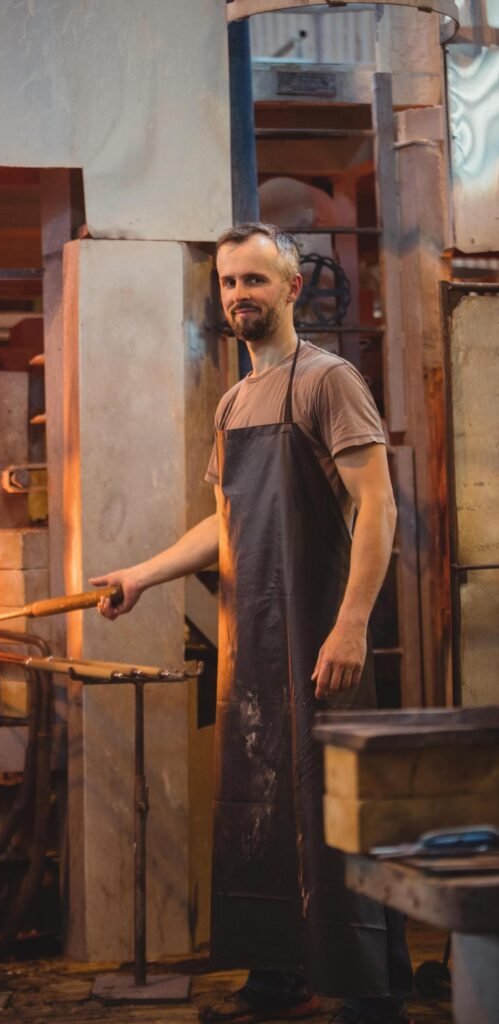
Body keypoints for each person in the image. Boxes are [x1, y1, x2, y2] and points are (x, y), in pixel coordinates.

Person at [90, 223, 413, 1024]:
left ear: (291, 288)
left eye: (255, 281)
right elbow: (224, 526)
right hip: (255, 644)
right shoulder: (234, 399)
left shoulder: (328, 381)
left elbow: (378, 505)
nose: (240, 294)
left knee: (339, 810)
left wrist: (350, 626)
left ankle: (372, 994)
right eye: (230, 283)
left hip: (319, 638)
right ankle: (278, 977)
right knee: (260, 810)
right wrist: (142, 575)